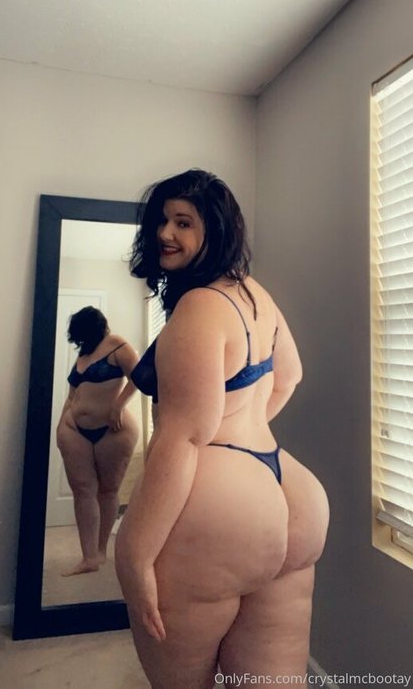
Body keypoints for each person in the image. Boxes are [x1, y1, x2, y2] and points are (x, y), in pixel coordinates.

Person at [115, 169, 330, 689]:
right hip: (292, 492)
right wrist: (241, 431)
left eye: (183, 222)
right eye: (161, 220)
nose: (165, 233)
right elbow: (290, 375)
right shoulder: (255, 294)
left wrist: (133, 555)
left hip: (220, 508)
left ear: (217, 228)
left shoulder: (199, 307)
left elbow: (185, 436)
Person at [56, 306, 139, 576]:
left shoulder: (116, 344)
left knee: (108, 490)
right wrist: (60, 425)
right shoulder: (84, 354)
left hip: (112, 429)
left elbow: (138, 377)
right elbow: (72, 395)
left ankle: (101, 550)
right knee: (83, 490)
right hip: (74, 429)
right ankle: (88, 557)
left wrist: (118, 406)